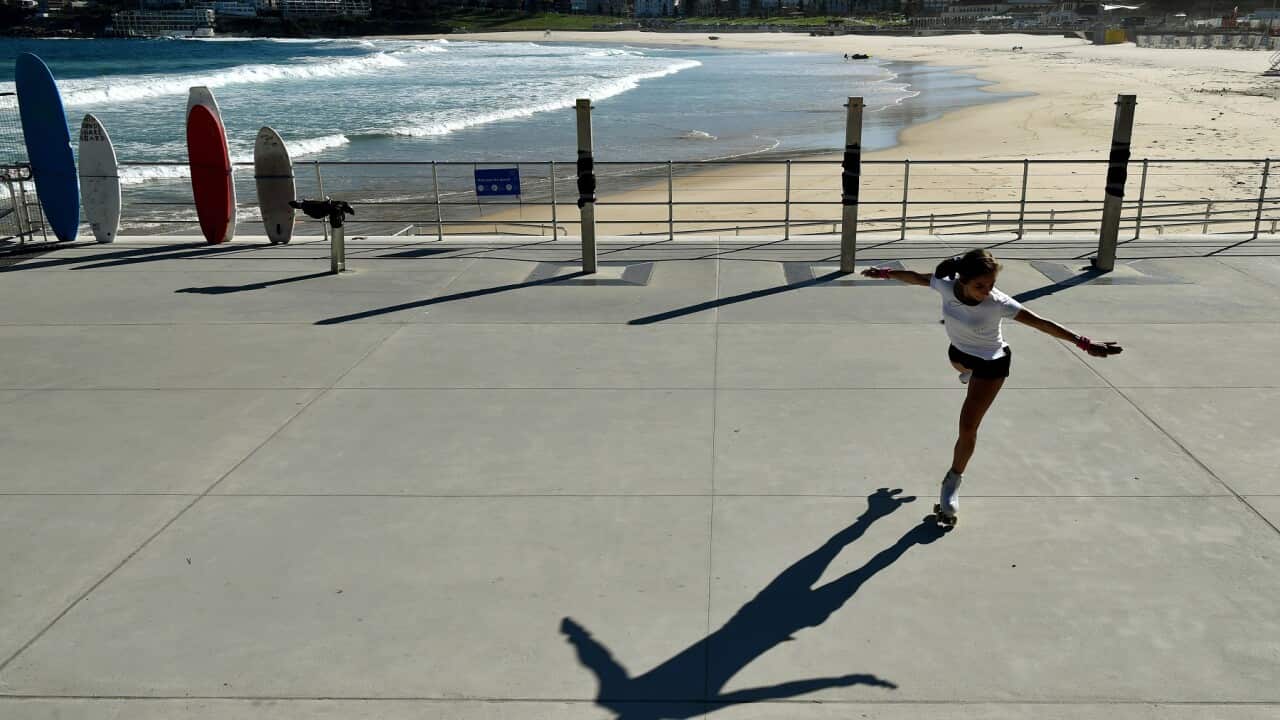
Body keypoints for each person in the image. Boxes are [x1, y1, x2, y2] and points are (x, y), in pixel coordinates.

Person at [861, 249, 1122, 525]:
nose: (987, 291)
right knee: (958, 364)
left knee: (967, 428)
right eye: (980, 286)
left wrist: (1084, 343)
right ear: (961, 280)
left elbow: (1042, 324)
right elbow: (915, 277)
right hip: (960, 355)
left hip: (991, 364)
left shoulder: (998, 303)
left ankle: (951, 483)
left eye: (991, 285)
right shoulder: (945, 285)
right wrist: (885, 273)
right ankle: (967, 375)